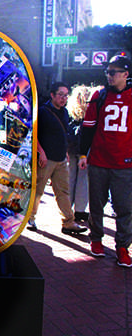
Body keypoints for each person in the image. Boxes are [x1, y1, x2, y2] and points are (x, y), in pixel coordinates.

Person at [79, 55, 132, 267]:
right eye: (107, 72)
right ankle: (96, 239)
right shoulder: (99, 95)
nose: (109, 76)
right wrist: (83, 154)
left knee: (124, 207)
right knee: (96, 204)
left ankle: (122, 247)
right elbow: (88, 127)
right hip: (99, 160)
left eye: (113, 72)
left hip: (125, 163)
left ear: (125, 74)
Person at [27, 82, 87, 234]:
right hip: (46, 159)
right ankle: (30, 218)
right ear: (52, 95)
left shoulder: (65, 112)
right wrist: (41, 152)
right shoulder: (43, 112)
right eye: (60, 94)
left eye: (66, 95)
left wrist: (65, 151)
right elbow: (34, 134)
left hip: (61, 159)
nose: (63, 98)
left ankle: (68, 222)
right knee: (37, 190)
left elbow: (64, 134)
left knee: (63, 192)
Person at [66, 84, 93, 222]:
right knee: (83, 180)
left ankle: (67, 209)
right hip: (86, 149)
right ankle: (80, 210)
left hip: (71, 147)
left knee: (70, 178)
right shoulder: (91, 111)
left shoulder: (69, 111)